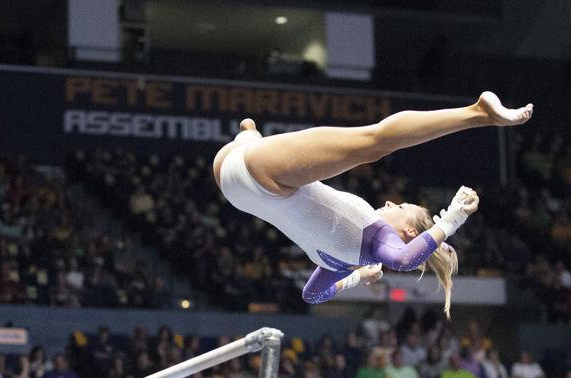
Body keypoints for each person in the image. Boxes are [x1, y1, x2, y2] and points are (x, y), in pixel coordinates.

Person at [213, 92, 532, 317]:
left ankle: (478, 113)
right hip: (234, 186)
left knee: (375, 143)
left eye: (401, 207)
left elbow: (405, 259)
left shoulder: (377, 239)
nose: (391, 203)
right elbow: (313, 295)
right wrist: (357, 278)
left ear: (408, 230)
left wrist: (450, 221)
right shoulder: (340, 263)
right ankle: (249, 136)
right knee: (362, 148)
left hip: (263, 175)